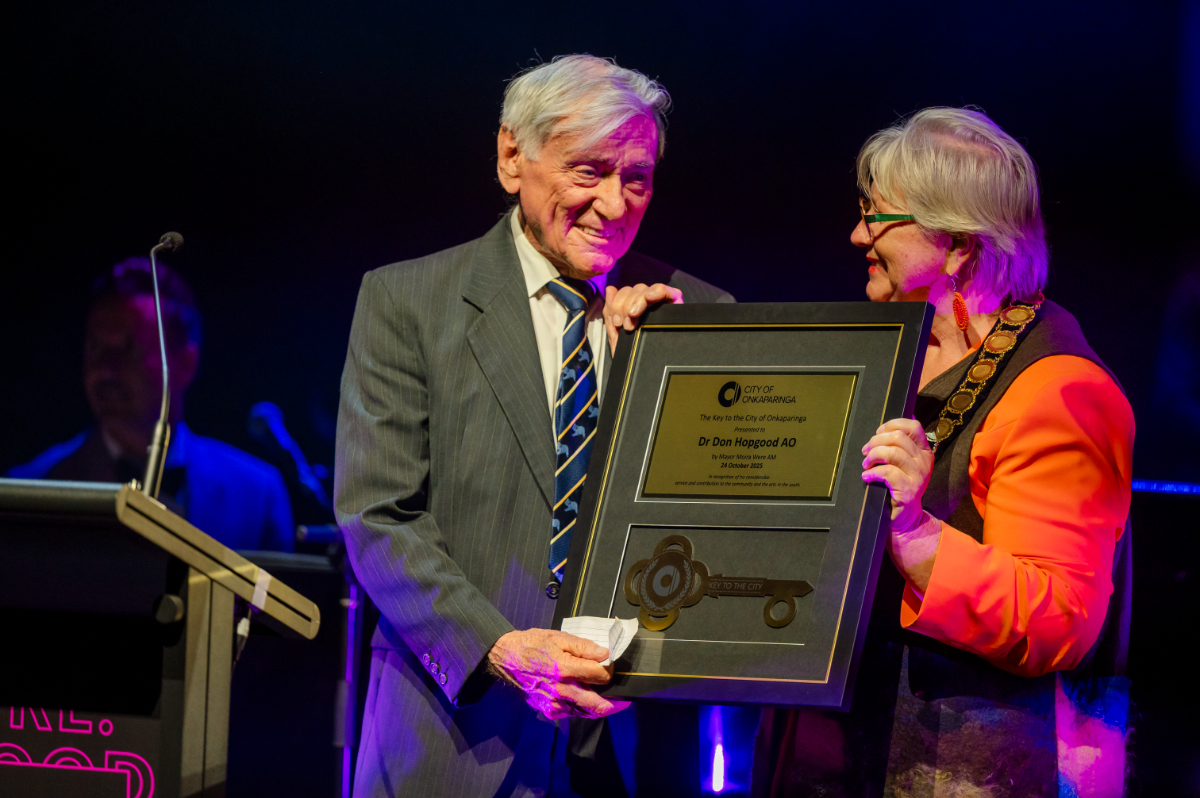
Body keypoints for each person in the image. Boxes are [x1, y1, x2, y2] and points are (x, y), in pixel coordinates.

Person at [335, 55, 734, 798]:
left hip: (637, 744)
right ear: (512, 158)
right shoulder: (408, 302)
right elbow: (377, 517)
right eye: (589, 171)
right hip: (457, 736)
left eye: (637, 178)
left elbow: (724, 525)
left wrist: (648, 378)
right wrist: (499, 648)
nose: (615, 204)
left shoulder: (695, 314)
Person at [742, 108, 1132, 797]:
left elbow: (1061, 618)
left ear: (957, 246)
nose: (857, 234)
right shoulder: (887, 347)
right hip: (828, 749)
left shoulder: (1062, 390)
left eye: (879, 218)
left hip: (965, 766)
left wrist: (914, 531)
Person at [7, 258, 294, 552]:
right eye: (95, 347)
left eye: (129, 348)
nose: (106, 369)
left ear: (185, 362)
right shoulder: (31, 488)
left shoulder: (258, 494)